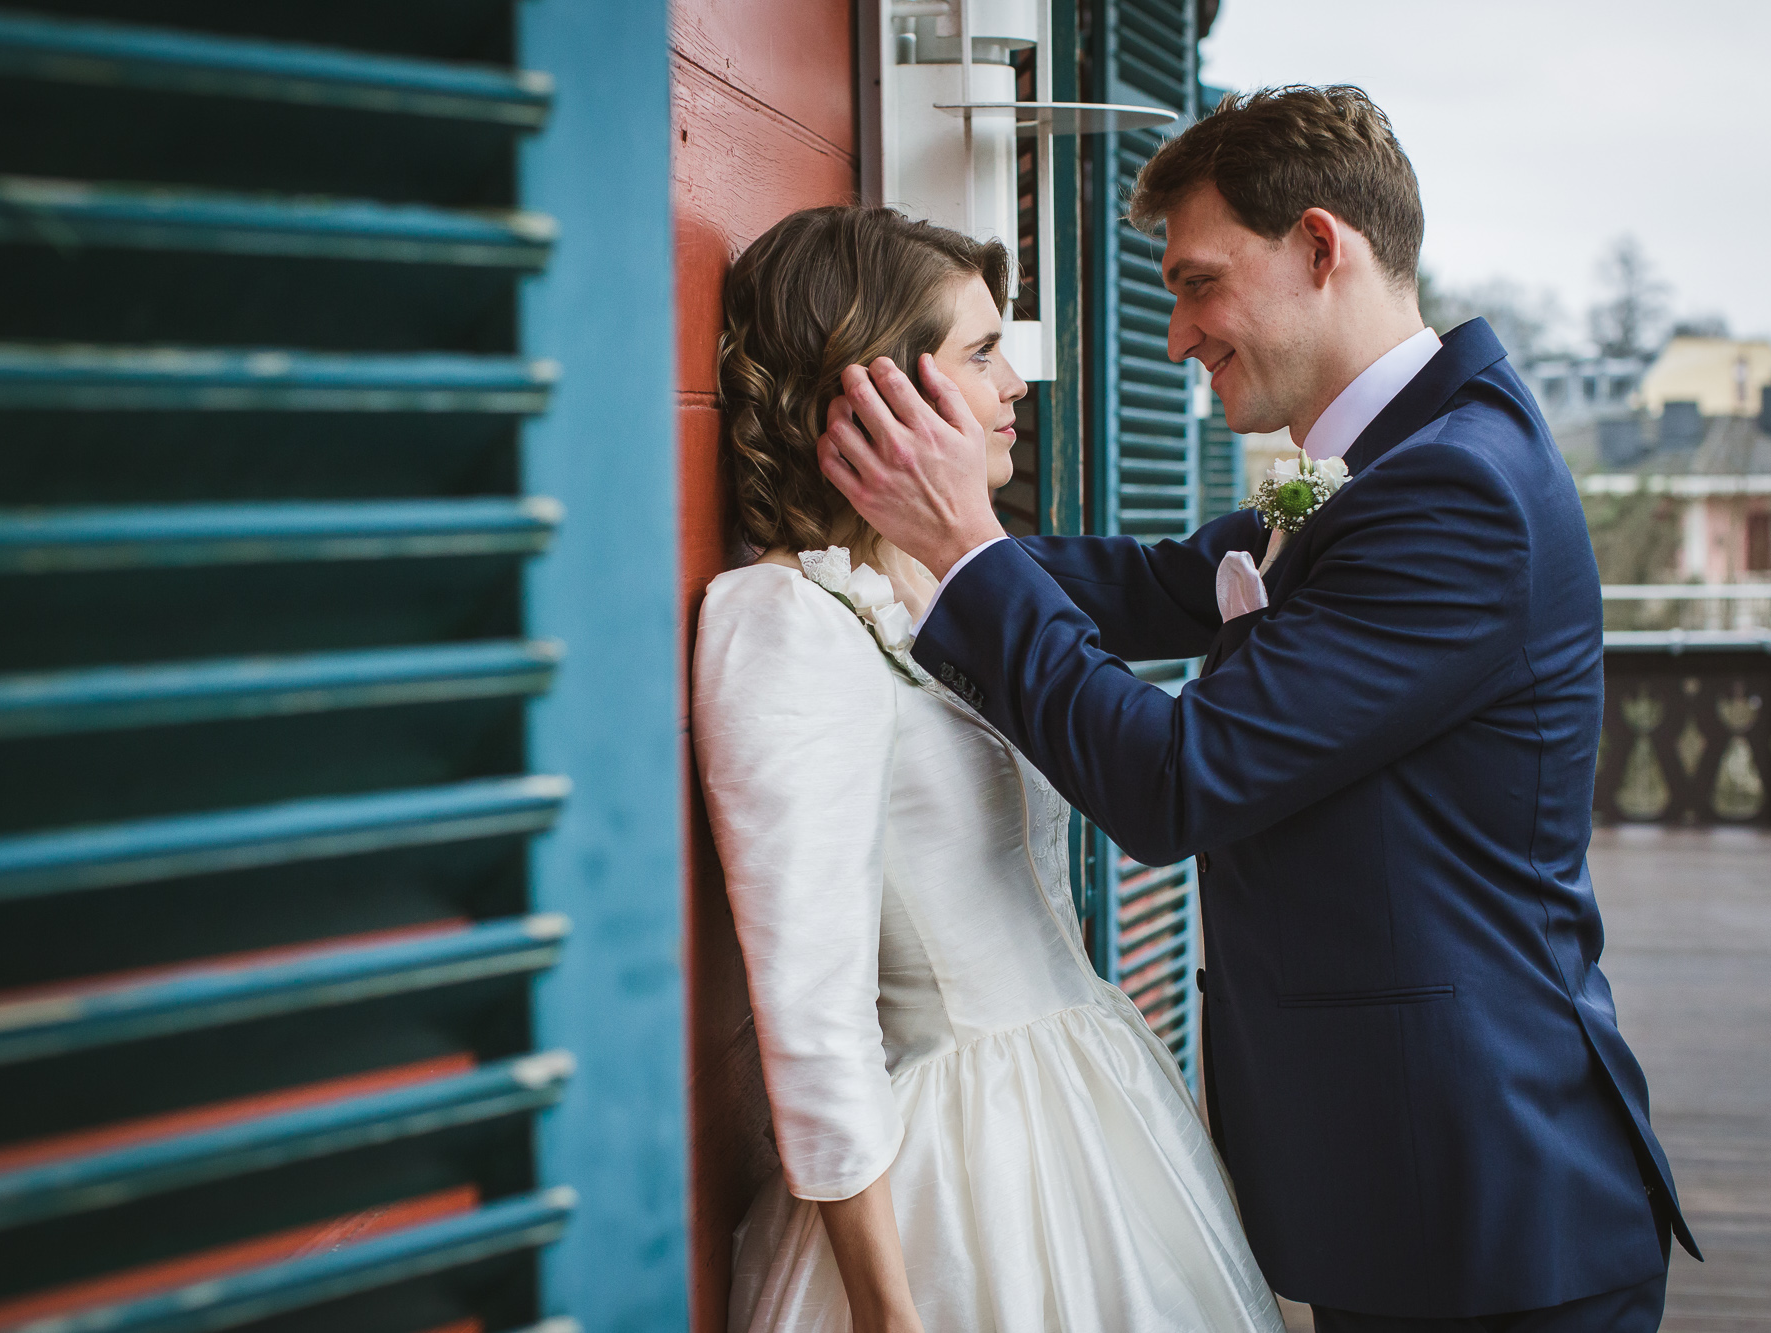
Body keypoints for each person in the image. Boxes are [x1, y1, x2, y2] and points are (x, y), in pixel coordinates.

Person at [815, 86, 1699, 1333]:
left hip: (1486, 1205)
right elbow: (1166, 583)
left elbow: (1175, 781)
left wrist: (965, 550)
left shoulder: (1453, 491)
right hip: (1406, 1182)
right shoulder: (1398, 458)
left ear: (1319, 247)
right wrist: (894, 536)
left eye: (1195, 283)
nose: (1174, 334)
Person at [693, 206, 1285, 1333]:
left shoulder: (940, 590)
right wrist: (886, 1311)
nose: (1016, 384)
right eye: (978, 353)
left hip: (1086, 1109)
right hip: (953, 1188)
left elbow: (1158, 585)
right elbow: (811, 1016)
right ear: (871, 393)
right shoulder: (785, 622)